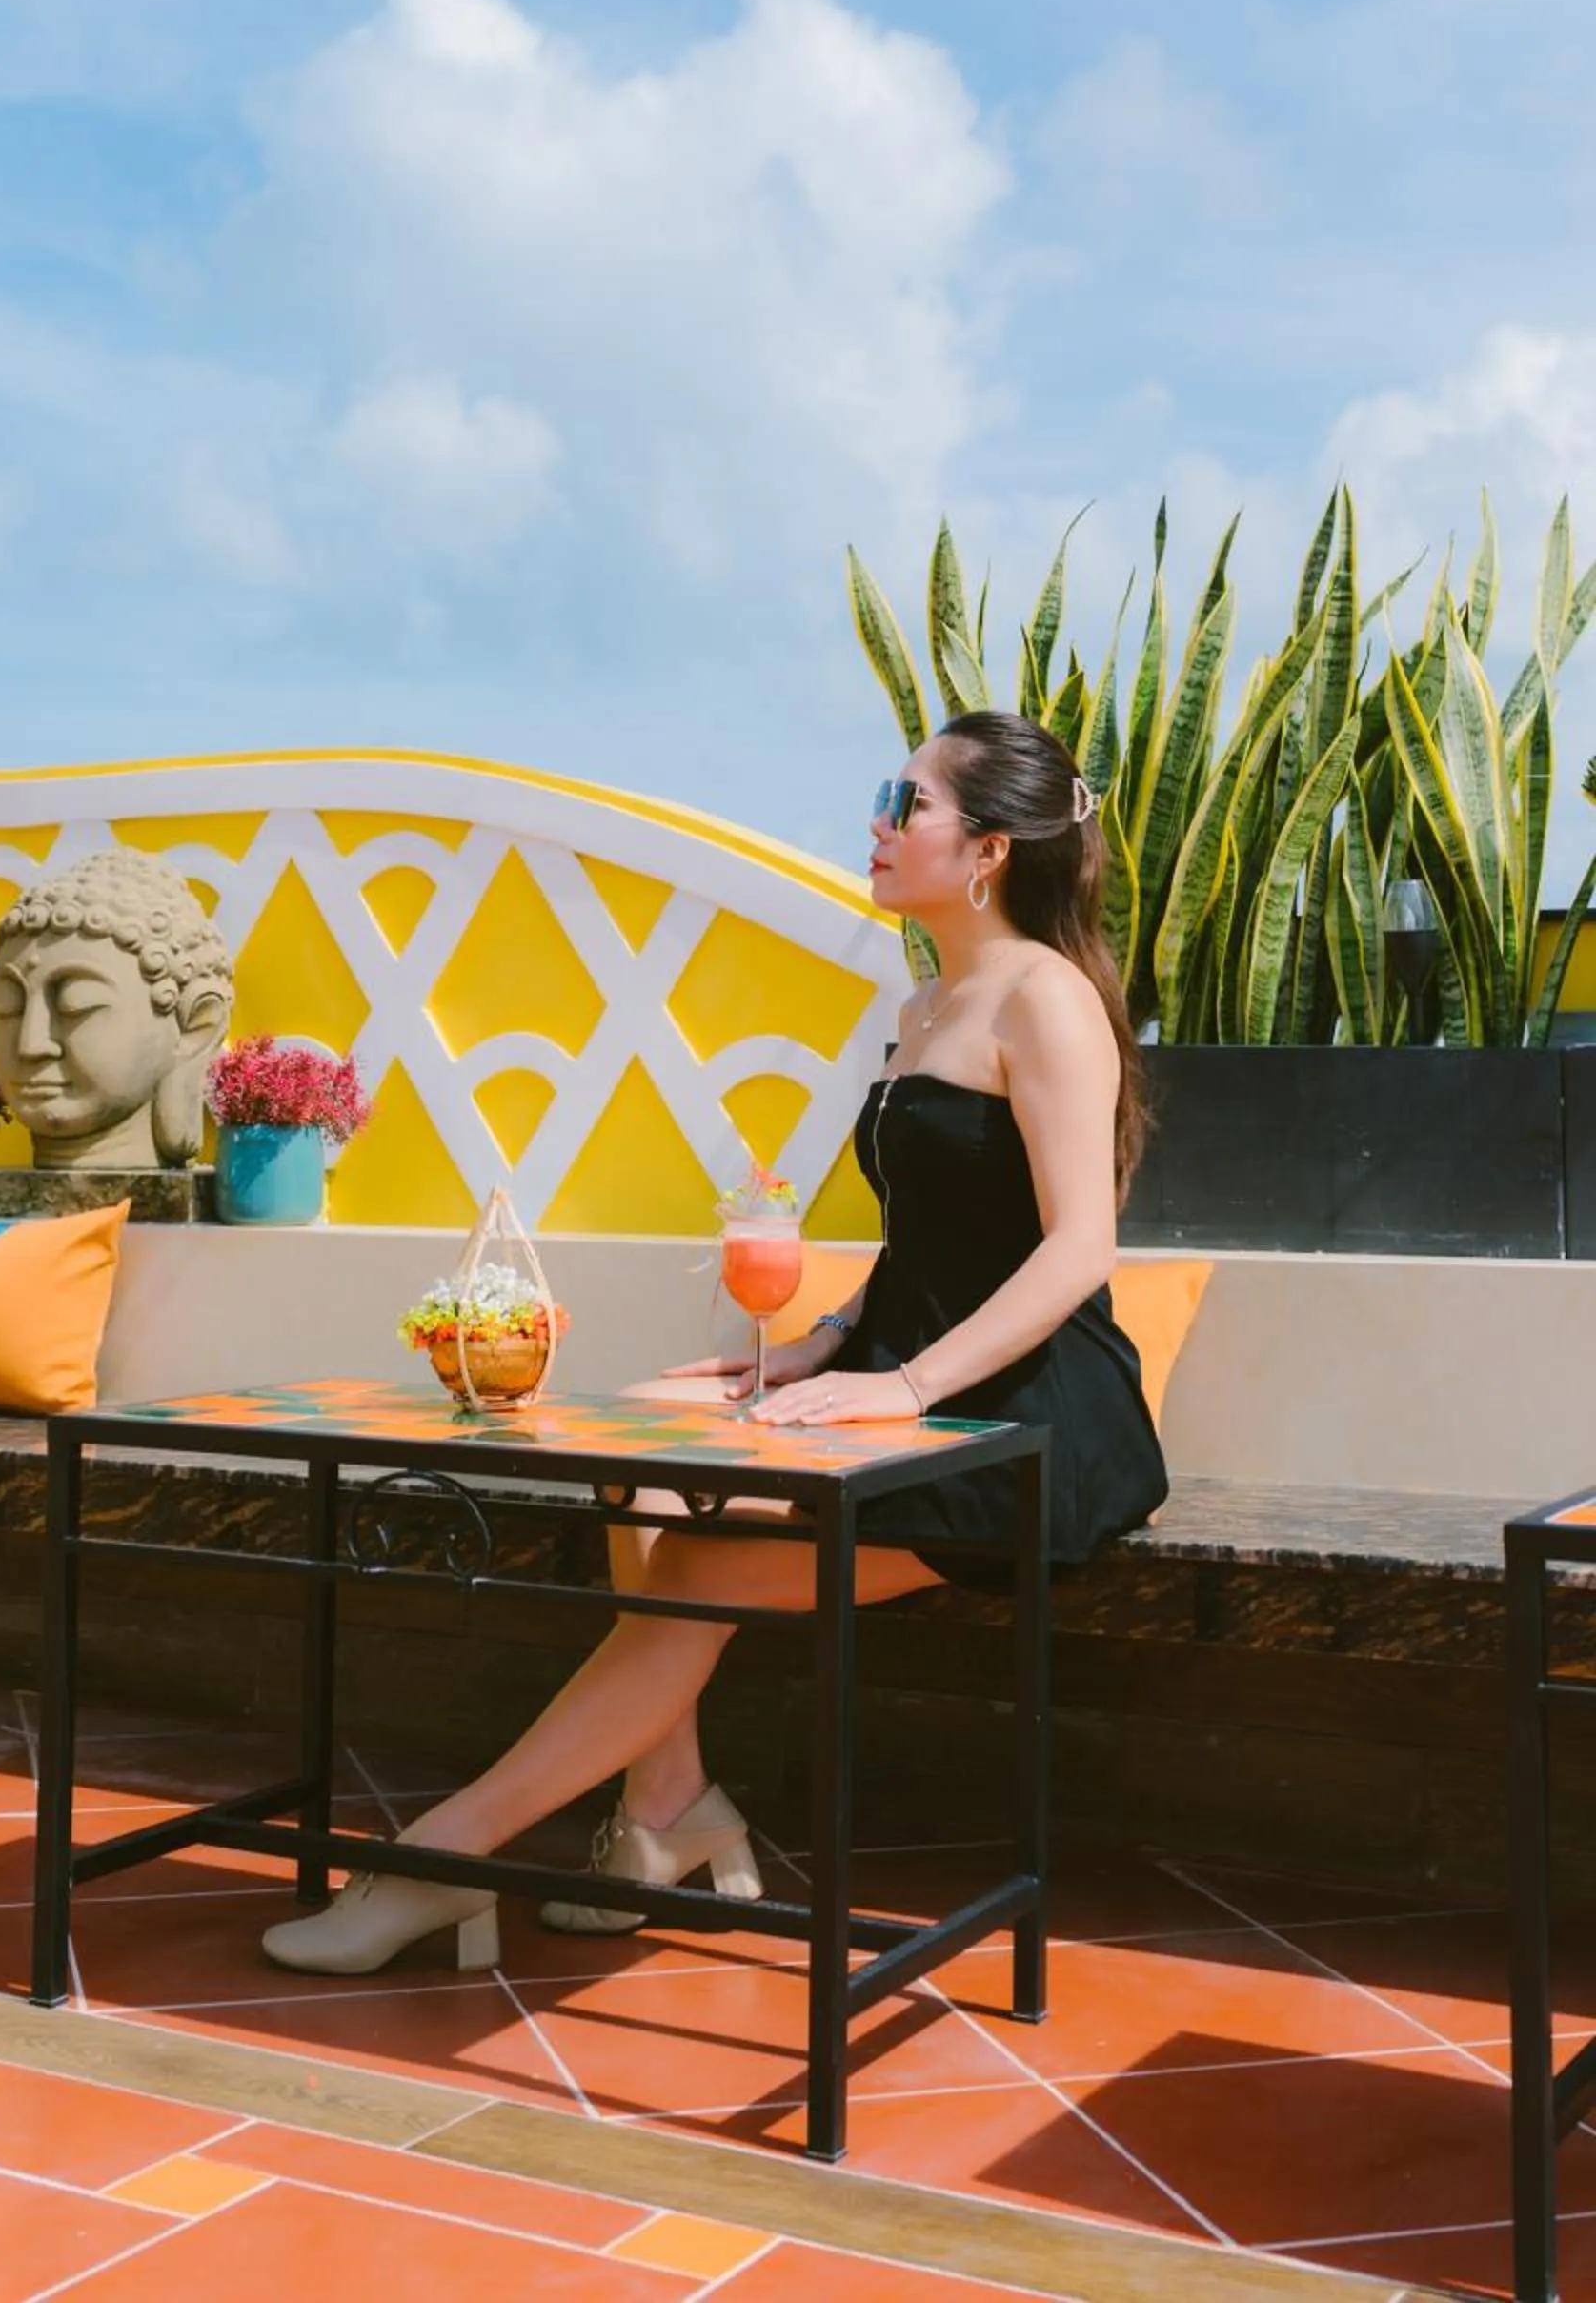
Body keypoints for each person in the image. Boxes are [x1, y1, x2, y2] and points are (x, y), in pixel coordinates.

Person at [261, 709, 1169, 1976]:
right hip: (901, 1386)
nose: (876, 823)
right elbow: (933, 1242)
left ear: (989, 850)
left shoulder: (1047, 1000)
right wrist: (817, 1348)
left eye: (904, 803)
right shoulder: (926, 1005)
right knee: (639, 1441)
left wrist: (904, 1386)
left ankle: (438, 1860)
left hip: (1026, 1418)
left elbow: (1076, 1251)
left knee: (692, 1568)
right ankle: (664, 1813)